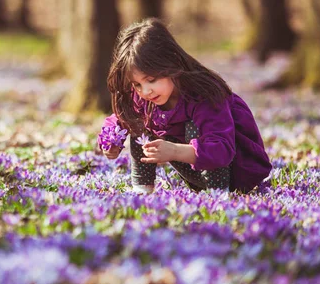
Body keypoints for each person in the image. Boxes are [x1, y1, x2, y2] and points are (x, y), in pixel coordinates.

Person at [99, 18, 272, 194]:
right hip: (197, 173)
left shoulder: (204, 96)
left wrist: (174, 151)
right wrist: (111, 140)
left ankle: (218, 194)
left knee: (192, 126)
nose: (146, 91)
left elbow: (222, 150)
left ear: (171, 64)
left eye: (151, 80)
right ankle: (142, 188)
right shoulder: (145, 98)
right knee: (136, 119)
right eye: (137, 85)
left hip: (237, 172)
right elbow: (119, 118)